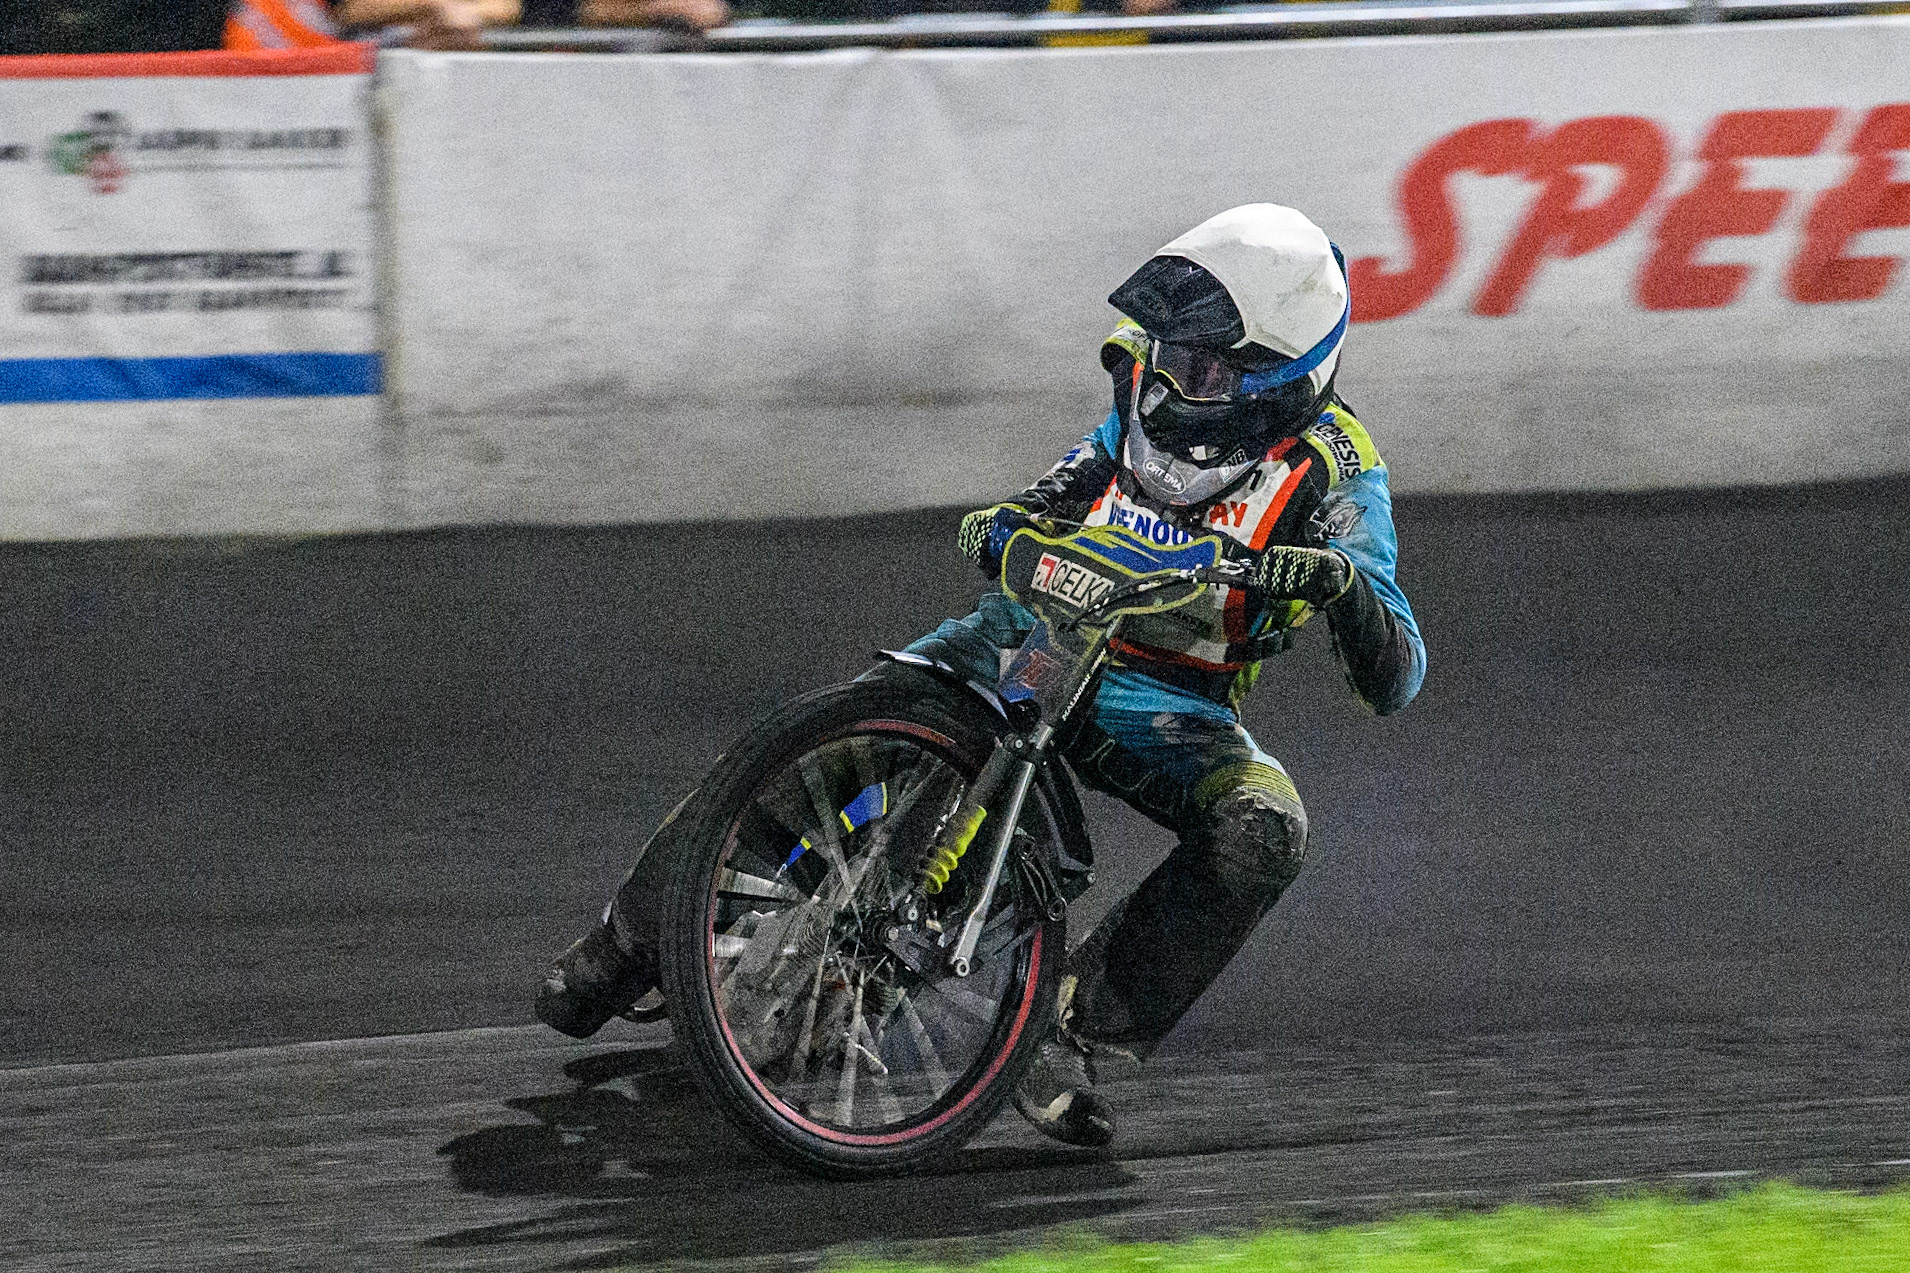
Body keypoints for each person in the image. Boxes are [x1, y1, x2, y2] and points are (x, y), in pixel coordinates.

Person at [534, 203, 1427, 1150]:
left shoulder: (1338, 476)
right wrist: (1012, 517)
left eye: (1202, 364)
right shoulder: (1142, 388)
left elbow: (1396, 675)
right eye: (1168, 351)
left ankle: (1066, 1031)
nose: (1169, 378)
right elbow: (1073, 480)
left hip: (1167, 704)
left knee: (1267, 826)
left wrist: (1339, 584)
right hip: (1041, 628)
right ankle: (626, 938)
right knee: (829, 739)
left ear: (1277, 377)